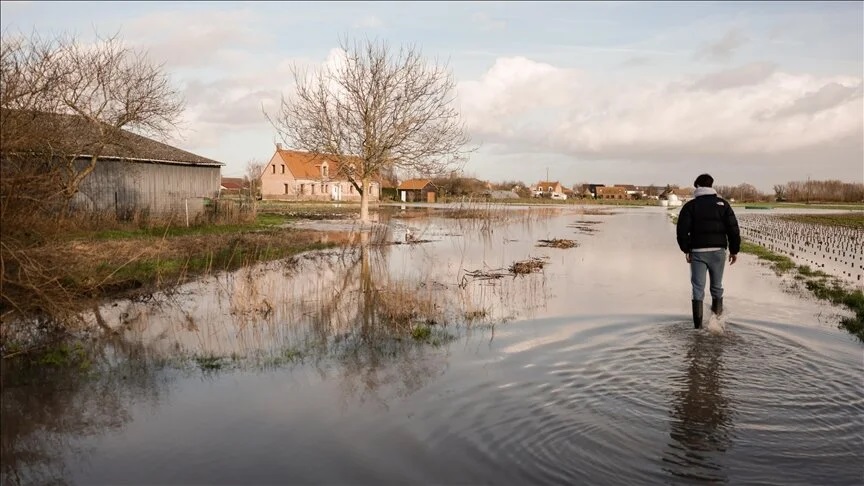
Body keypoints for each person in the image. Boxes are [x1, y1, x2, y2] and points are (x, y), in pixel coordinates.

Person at [676, 174, 741, 329]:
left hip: (697, 252)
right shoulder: (723, 204)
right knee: (717, 287)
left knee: (698, 289)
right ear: (711, 185)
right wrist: (734, 250)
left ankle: (698, 329)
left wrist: (686, 249)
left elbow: (681, 231)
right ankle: (717, 324)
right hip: (718, 252)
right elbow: (733, 229)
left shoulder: (690, 206)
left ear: (697, 186)